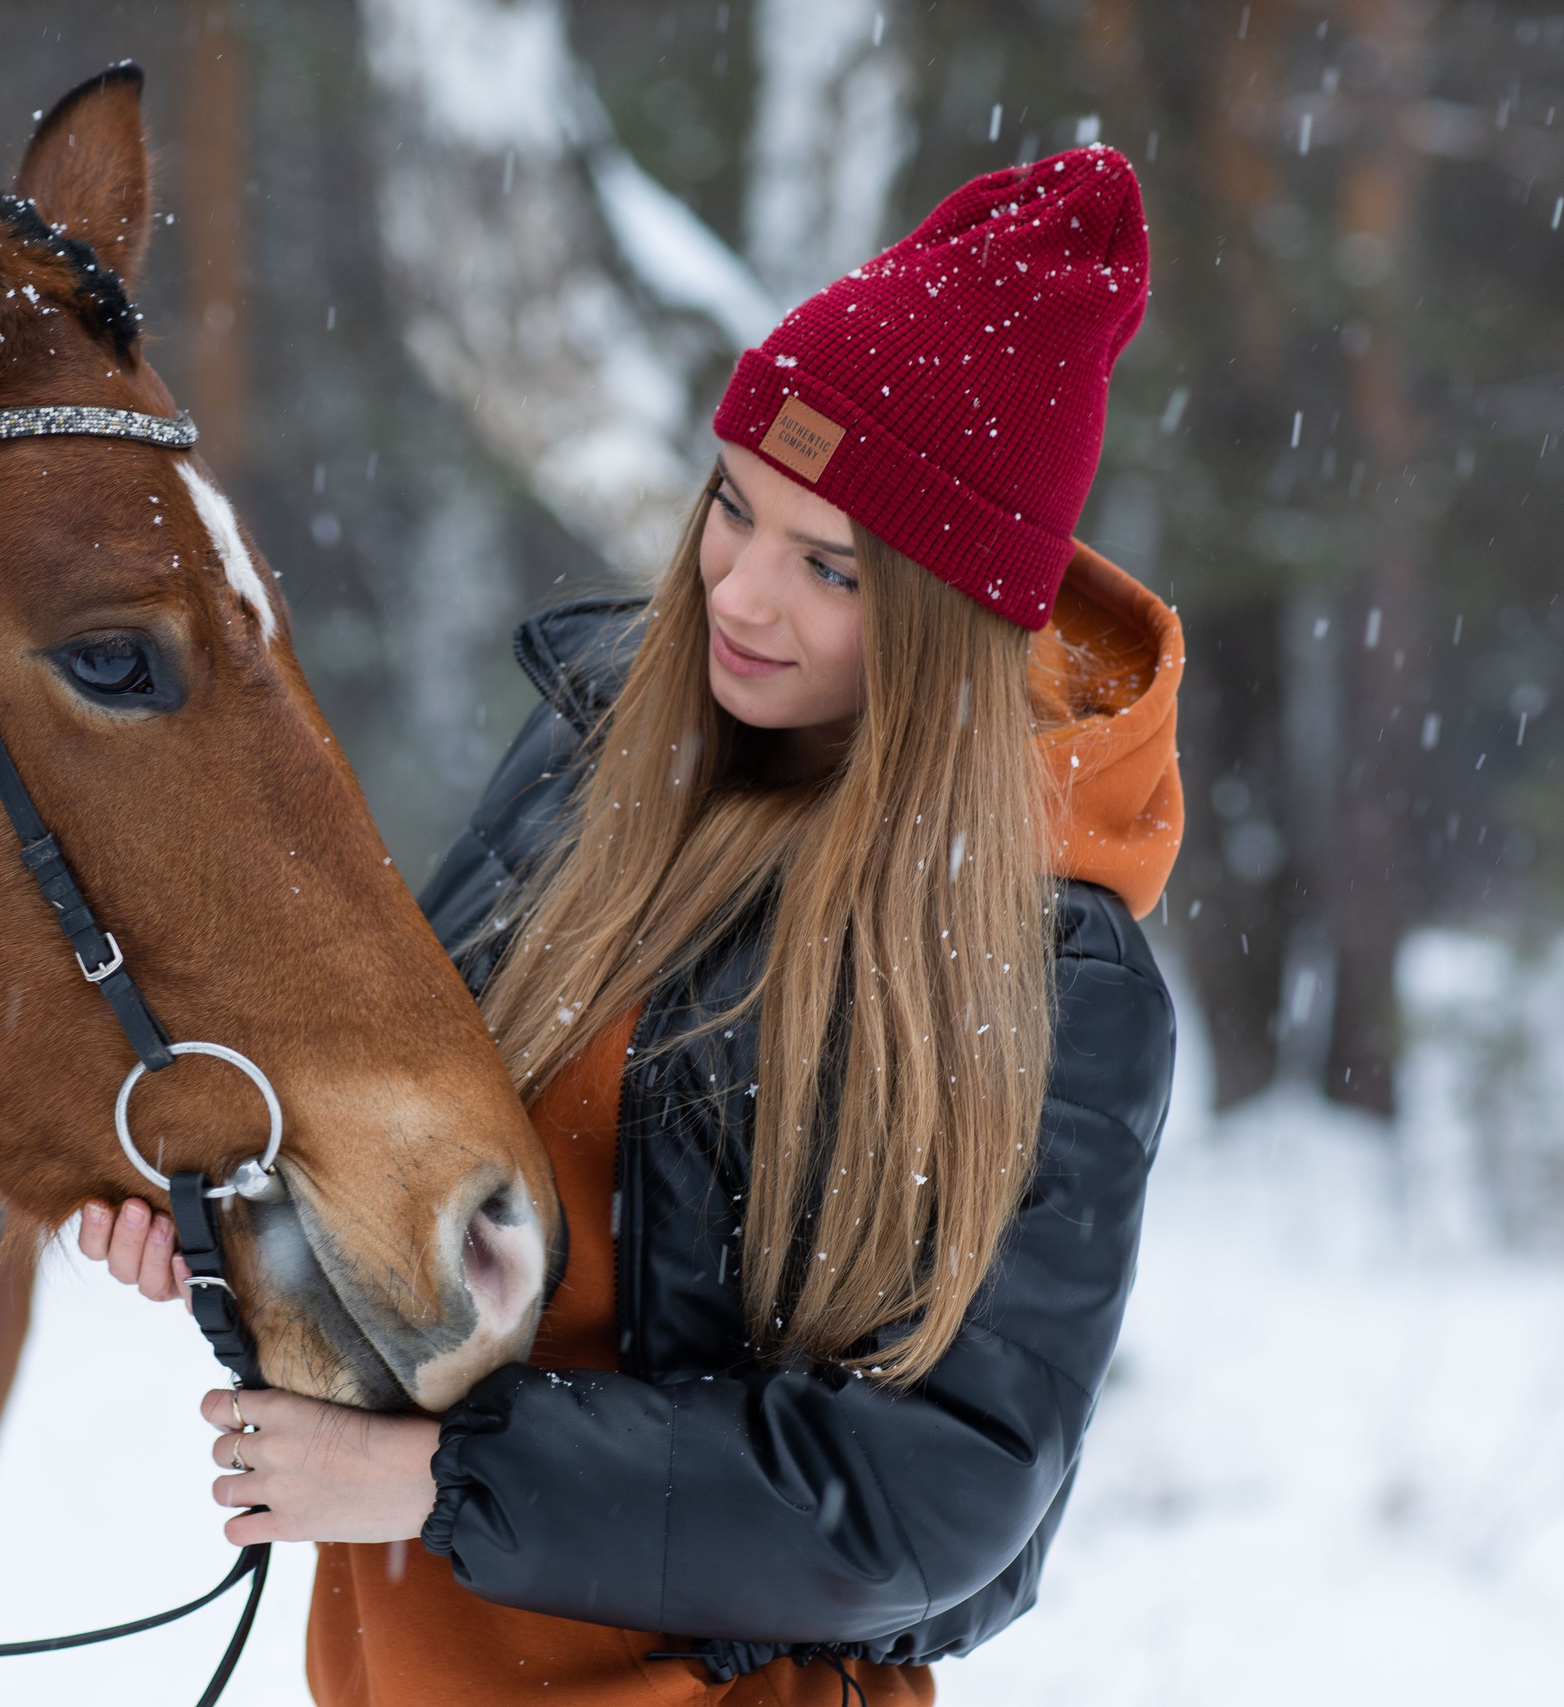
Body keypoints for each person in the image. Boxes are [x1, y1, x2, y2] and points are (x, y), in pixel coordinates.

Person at [80, 145, 1180, 1706]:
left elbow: (942, 1497)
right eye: (734, 510)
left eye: (831, 570)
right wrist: (220, 1223)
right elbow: (443, 1212)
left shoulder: (1052, 972)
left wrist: (434, 1485)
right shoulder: (591, 781)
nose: (740, 595)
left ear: (944, 623)